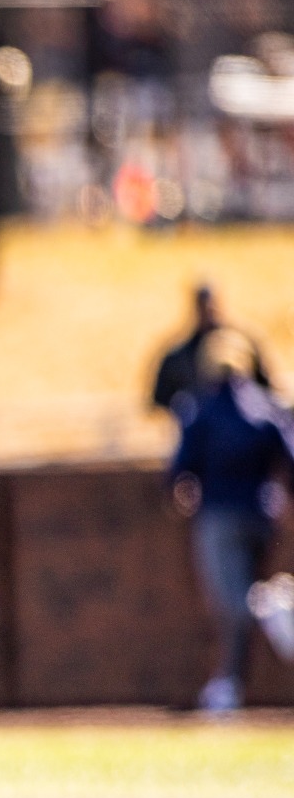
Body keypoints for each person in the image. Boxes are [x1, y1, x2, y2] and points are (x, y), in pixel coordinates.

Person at [168, 329, 294, 713]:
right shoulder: (266, 405)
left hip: (220, 518)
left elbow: (179, 468)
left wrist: (179, 491)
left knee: (233, 603)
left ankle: (273, 610)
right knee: (239, 600)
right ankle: (229, 684)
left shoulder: (201, 408)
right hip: (261, 516)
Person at [152, 283, 271, 418]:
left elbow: (267, 389)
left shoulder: (242, 345)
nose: (208, 312)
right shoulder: (177, 355)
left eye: (210, 306)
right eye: (202, 307)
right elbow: (159, 403)